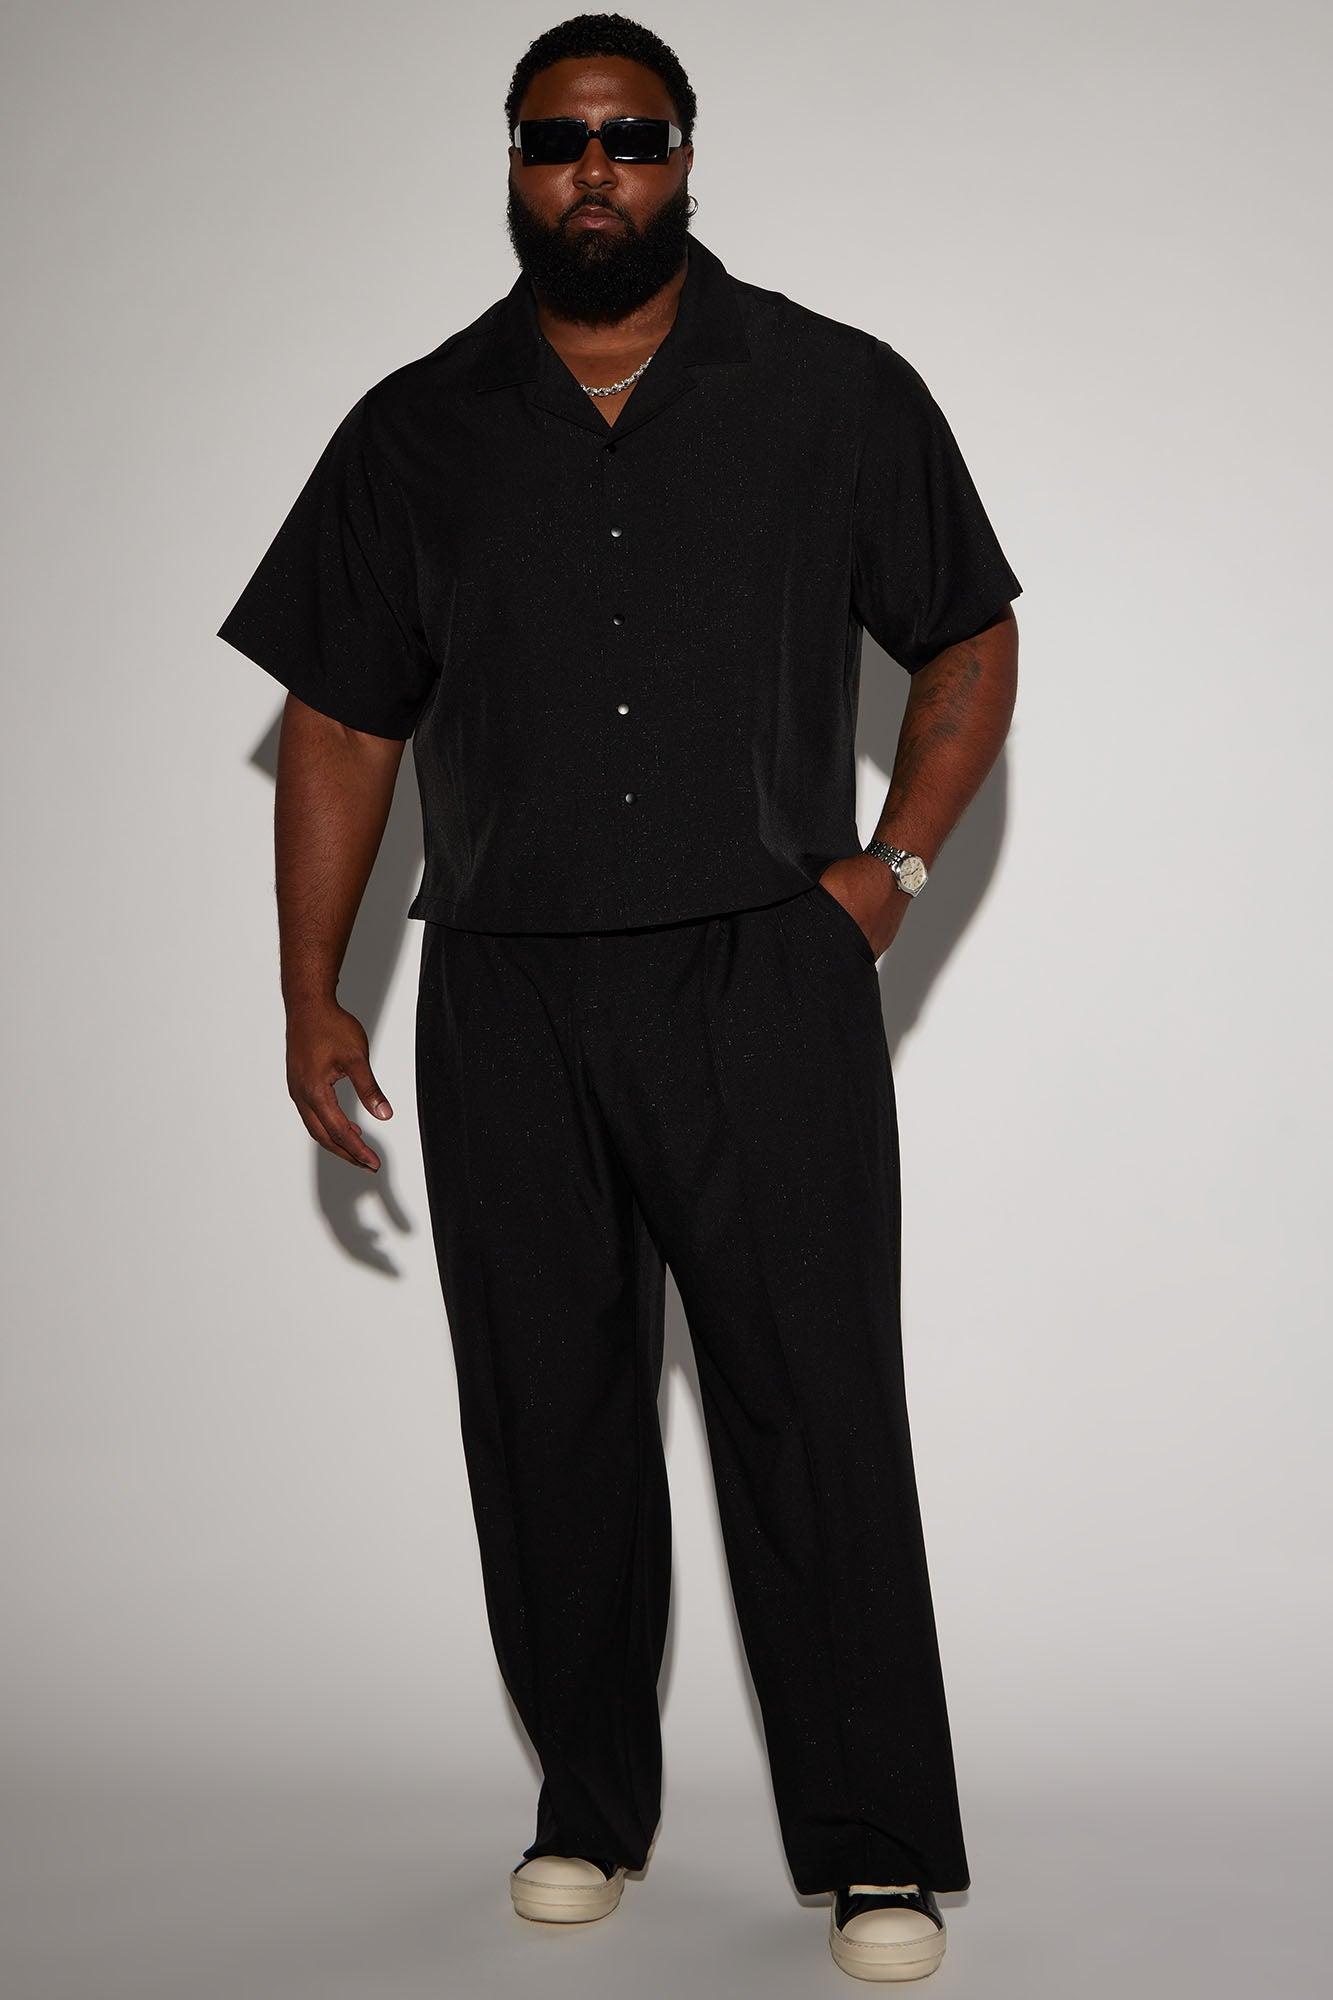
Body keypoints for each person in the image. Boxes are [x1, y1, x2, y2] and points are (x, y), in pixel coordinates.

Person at [216, 13, 1021, 1984]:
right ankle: (587, 1806)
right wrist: (314, 989)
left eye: (633, 136)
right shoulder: (412, 429)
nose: (596, 169)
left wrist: (891, 872)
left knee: (812, 1409)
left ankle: (876, 1853)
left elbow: (969, 634)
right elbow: (340, 720)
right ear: (511, 162)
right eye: (557, 137)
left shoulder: (831, 390)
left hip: (763, 974)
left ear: (684, 157)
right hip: (503, 987)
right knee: (546, 1420)